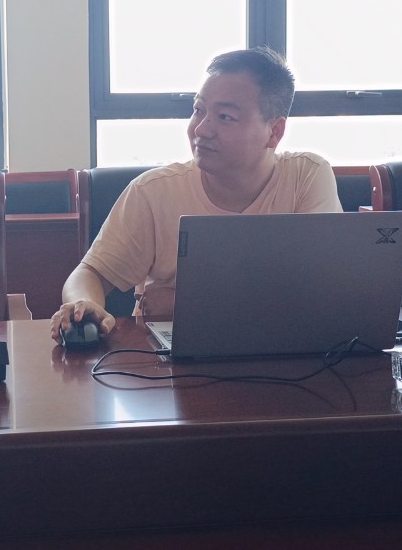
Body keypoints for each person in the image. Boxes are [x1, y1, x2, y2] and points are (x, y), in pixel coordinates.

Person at [51, 47, 341, 339]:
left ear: (274, 132)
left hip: (281, 349)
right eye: (198, 110)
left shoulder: (306, 176)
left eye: (225, 117)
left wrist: (176, 302)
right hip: (163, 358)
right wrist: (83, 303)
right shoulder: (152, 192)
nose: (201, 129)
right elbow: (90, 274)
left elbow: (320, 291)